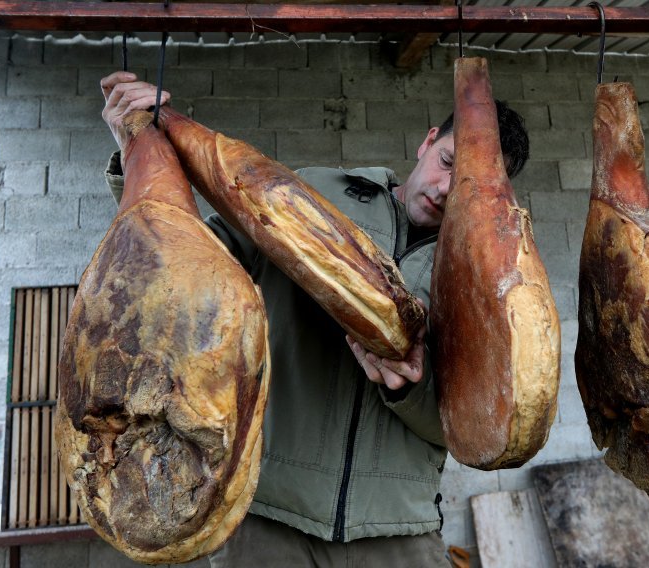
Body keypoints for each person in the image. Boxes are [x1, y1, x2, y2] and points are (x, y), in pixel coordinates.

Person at [100, 70, 529, 567]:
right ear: (427, 141)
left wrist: (408, 388)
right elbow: (189, 256)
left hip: (398, 532)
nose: (444, 187)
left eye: (469, 182)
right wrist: (137, 149)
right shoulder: (319, 190)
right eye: (447, 161)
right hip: (270, 519)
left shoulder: (482, 280)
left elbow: (467, 425)